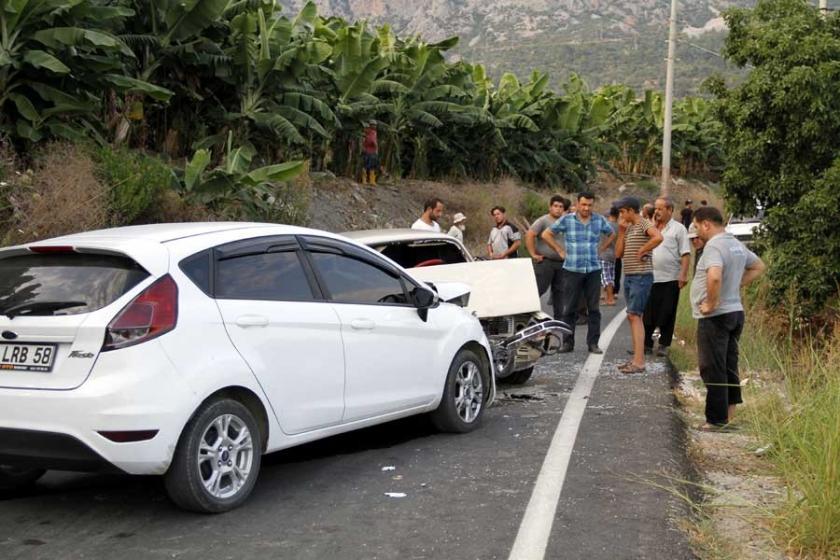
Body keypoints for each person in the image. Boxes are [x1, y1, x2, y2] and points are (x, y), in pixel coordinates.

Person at [691, 206, 765, 429]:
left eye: (696, 227)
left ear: (706, 224)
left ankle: (715, 420)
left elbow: (714, 277)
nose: (696, 232)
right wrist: (735, 284)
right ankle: (729, 414)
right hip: (735, 312)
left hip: (717, 316)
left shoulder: (714, 246)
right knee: (729, 364)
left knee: (712, 367)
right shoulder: (735, 244)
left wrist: (711, 303)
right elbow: (759, 266)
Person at [541, 192, 615, 354]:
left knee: (593, 309)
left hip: (593, 269)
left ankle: (593, 343)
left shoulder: (599, 220)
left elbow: (611, 234)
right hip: (572, 269)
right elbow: (546, 234)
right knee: (569, 308)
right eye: (583, 204)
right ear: (577, 203)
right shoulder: (567, 220)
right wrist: (559, 249)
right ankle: (568, 343)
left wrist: (602, 248)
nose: (586, 208)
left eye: (589, 205)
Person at [614, 196, 663, 373]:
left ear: (630, 211)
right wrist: (620, 232)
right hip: (630, 275)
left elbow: (658, 237)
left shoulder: (643, 223)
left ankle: (639, 362)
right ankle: (637, 359)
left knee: (634, 315)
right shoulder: (628, 228)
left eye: (622, 212)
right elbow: (618, 254)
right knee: (633, 316)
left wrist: (643, 249)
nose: (620, 215)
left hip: (641, 276)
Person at [644, 197, 691, 357]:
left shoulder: (679, 229)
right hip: (649, 276)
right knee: (648, 312)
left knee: (667, 312)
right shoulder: (650, 228)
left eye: (660, 209)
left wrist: (683, 275)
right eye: (655, 208)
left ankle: (664, 344)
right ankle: (647, 345)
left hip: (670, 277)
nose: (656, 211)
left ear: (670, 210)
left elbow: (685, 254)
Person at [526, 195, 569, 318]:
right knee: (539, 290)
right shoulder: (543, 221)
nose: (558, 209)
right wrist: (533, 254)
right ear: (550, 207)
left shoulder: (566, 221)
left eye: (561, 207)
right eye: (555, 206)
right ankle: (528, 315)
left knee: (559, 292)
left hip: (561, 262)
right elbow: (530, 235)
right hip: (545, 262)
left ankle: (559, 318)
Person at [600, 206, 620, 306]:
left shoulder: (607, 226)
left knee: (606, 277)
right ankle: (608, 297)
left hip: (605, 254)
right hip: (613, 254)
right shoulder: (618, 226)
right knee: (610, 276)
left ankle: (610, 299)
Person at [361, 121, 379, 185]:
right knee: (372, 166)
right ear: (371, 125)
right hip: (371, 151)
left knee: (365, 166)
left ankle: (364, 181)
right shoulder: (373, 132)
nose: (375, 126)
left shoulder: (365, 132)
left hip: (365, 151)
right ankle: (371, 181)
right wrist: (376, 148)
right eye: (374, 125)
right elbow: (373, 141)